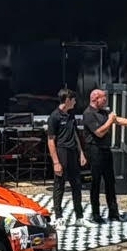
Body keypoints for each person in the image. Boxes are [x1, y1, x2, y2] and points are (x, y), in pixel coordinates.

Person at [81, 88, 127, 224]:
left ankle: (114, 213)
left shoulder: (104, 112)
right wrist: (110, 121)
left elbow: (118, 120)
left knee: (110, 182)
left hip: (106, 150)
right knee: (96, 183)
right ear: (95, 99)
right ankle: (96, 214)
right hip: (95, 150)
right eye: (103, 98)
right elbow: (99, 133)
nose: (105, 100)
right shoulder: (88, 113)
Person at [46, 88, 94, 228]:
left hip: (73, 152)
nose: (75, 102)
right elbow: (50, 140)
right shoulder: (54, 117)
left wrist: (81, 153)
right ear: (67, 100)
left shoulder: (71, 115)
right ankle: (59, 217)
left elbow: (75, 134)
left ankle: (79, 217)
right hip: (62, 152)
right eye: (73, 100)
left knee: (76, 185)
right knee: (59, 185)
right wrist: (56, 162)